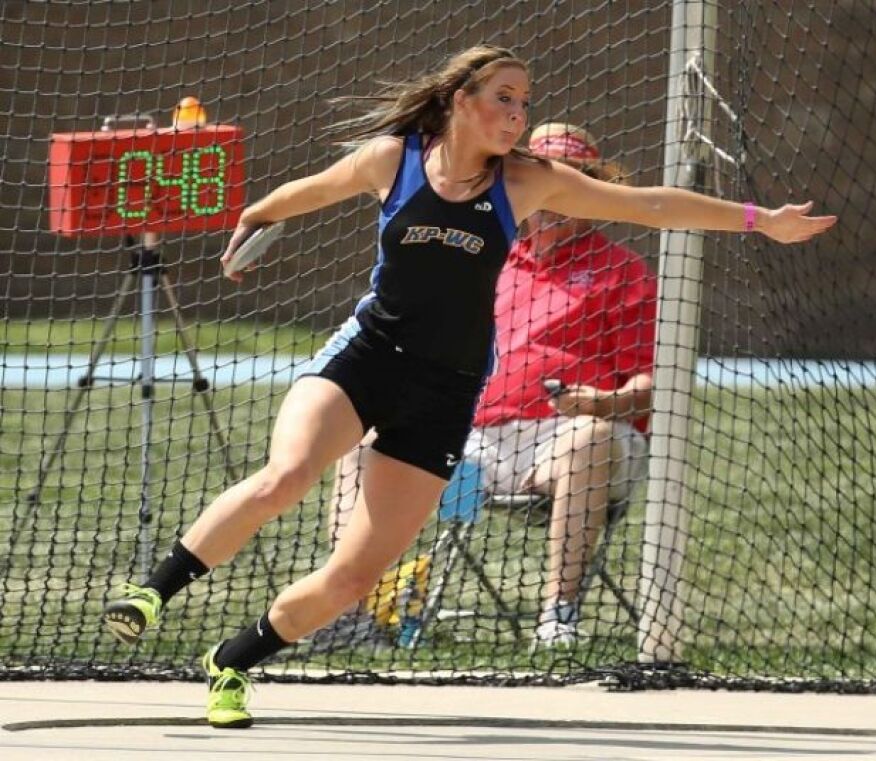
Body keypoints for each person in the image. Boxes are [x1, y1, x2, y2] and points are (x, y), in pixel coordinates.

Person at [101, 45, 836, 728]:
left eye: (525, 101)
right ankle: (153, 590)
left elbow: (649, 205)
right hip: (366, 355)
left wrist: (758, 220)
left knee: (356, 574)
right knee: (289, 472)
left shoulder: (526, 182)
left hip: (448, 390)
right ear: (459, 98)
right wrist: (256, 214)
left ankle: (231, 663)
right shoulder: (394, 158)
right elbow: (312, 190)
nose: (519, 113)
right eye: (505, 97)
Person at [329, 121, 655, 650]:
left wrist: (606, 403)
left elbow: (651, 380)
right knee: (363, 444)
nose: (549, 197)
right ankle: (350, 613)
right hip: (471, 440)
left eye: (569, 181)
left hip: (578, 440)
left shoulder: (624, 271)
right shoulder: (485, 255)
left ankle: (559, 617)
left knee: (587, 440)